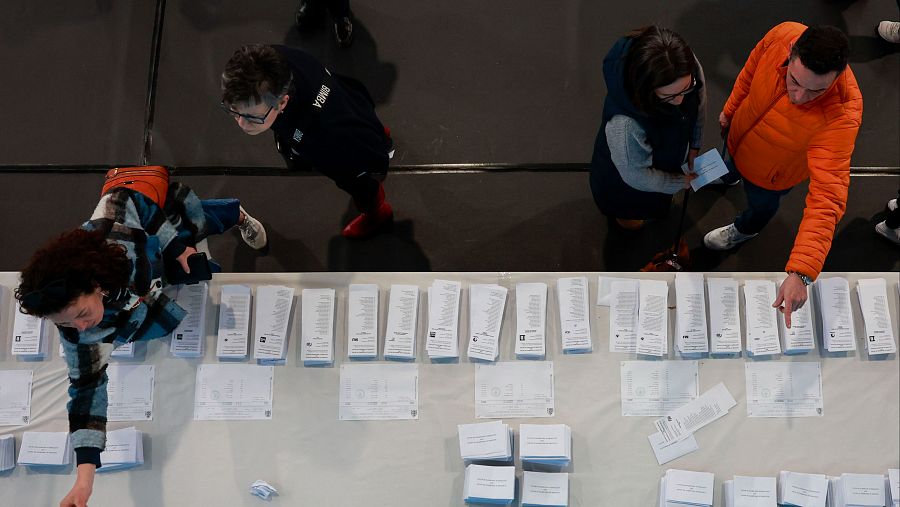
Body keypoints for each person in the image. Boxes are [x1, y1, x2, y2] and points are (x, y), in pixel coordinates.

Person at [15, 177, 265, 507]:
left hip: (155, 253)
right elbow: (87, 394)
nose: (80, 326)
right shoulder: (79, 330)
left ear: (93, 284)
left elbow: (139, 203)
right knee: (183, 296)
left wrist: (178, 249)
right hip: (144, 299)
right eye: (63, 323)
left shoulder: (110, 228)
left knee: (199, 225)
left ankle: (238, 216)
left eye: (81, 312)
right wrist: (84, 480)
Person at [704, 23, 863, 326]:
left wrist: (802, 271)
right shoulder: (782, 35)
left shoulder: (842, 114)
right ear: (790, 53)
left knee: (759, 208)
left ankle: (744, 230)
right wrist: (731, 109)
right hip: (740, 137)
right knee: (729, 165)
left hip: (771, 177)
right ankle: (729, 176)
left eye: (817, 90)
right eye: (794, 81)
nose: (800, 97)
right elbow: (750, 72)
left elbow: (828, 197)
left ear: (837, 76)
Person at [221, 44, 394, 238]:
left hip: (344, 143)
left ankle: (376, 214)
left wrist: (375, 168)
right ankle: (382, 135)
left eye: (253, 117)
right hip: (349, 102)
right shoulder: (263, 66)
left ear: (283, 102)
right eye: (233, 110)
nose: (242, 124)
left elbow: (371, 164)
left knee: (361, 185)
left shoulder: (327, 131)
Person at [589, 26, 704, 230]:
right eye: (669, 96)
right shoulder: (625, 126)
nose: (680, 101)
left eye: (687, 89)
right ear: (646, 89)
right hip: (627, 184)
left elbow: (698, 103)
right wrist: (678, 182)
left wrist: (694, 144)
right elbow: (635, 175)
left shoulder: (683, 66)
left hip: (665, 159)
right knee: (631, 215)